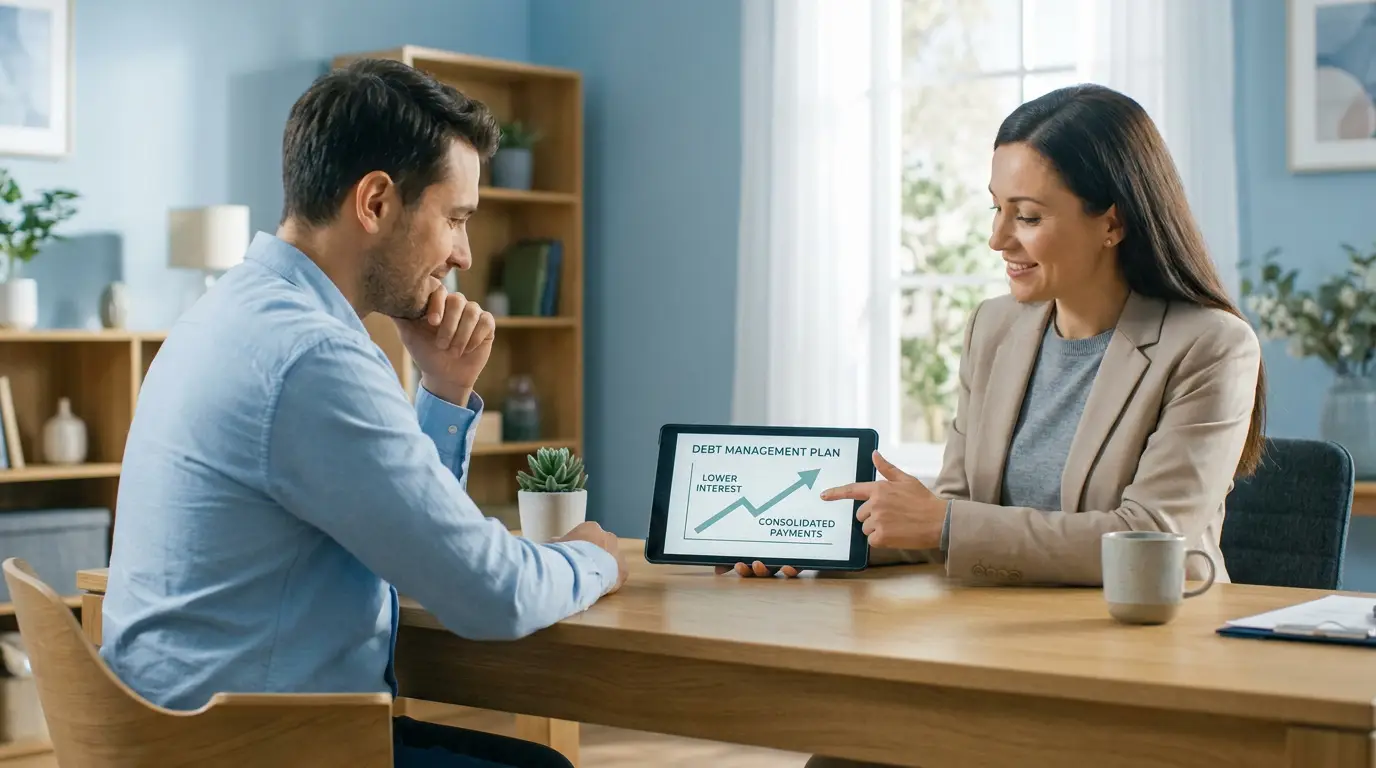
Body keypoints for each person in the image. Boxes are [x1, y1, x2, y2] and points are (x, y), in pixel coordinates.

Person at [100, 58, 626, 768]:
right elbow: (490, 595)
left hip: (173, 739)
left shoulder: (229, 313)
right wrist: (592, 559)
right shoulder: (312, 357)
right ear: (375, 202)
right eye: (456, 219)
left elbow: (403, 535)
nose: (464, 256)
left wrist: (442, 389)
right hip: (256, 752)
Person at [735, 83, 1266, 767]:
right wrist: (824, 541)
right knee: (845, 749)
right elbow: (956, 502)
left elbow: (1150, 534)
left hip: (1142, 664)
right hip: (992, 645)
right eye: (996, 210)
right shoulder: (995, 327)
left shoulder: (1211, 345)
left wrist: (943, 524)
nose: (996, 239)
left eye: (1027, 216)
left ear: (1113, 221)